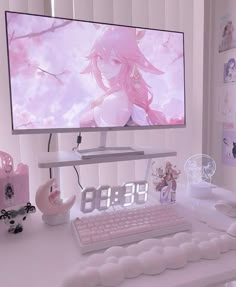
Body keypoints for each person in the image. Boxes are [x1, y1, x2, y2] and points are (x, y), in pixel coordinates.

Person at [79, 26, 168, 127]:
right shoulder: (119, 94)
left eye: (115, 61)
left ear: (128, 64)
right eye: (100, 57)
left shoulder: (114, 101)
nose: (103, 66)